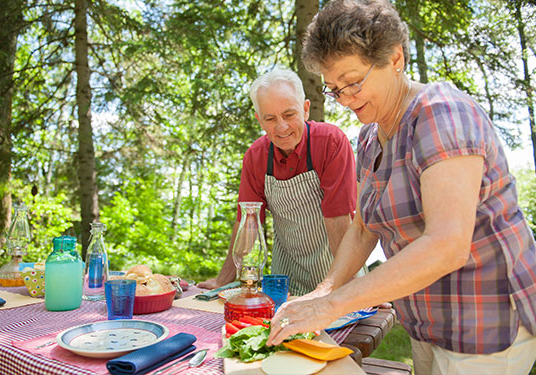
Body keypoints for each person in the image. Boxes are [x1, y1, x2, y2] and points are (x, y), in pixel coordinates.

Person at [266, 1, 536, 374]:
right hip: (428, 323)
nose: (345, 99)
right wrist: (322, 292)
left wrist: (332, 306)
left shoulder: (441, 113)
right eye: (333, 89)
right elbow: (362, 229)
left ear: (395, 58)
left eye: (353, 81)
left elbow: (447, 245)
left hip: (487, 323)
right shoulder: (370, 138)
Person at [198, 68, 357, 296]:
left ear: (305, 109)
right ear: (259, 120)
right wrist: (223, 280)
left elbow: (339, 220)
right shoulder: (256, 156)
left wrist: (348, 287)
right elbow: (248, 224)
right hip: (286, 280)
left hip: (338, 272)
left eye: (289, 114)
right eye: (270, 118)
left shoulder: (330, 142)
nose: (281, 127)